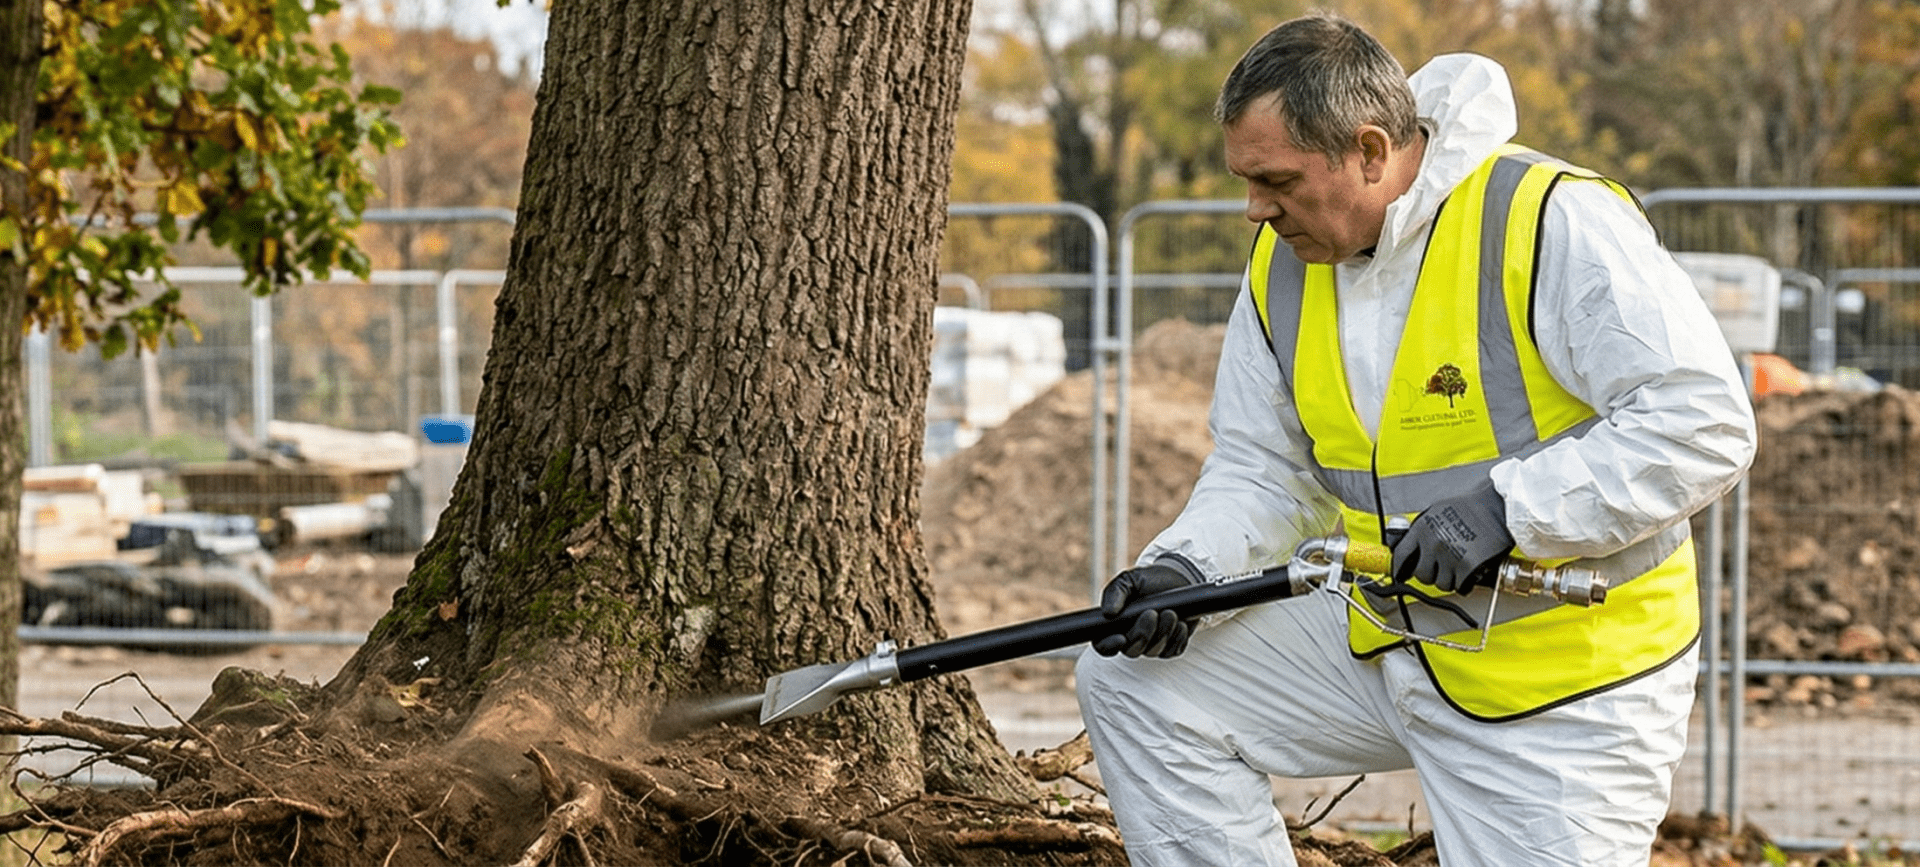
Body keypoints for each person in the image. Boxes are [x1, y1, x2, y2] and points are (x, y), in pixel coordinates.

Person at [1075, 13, 1757, 867]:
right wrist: (1186, 570)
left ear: (1368, 151)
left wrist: (1509, 511)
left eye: (1275, 180)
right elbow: (1264, 467)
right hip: (1392, 638)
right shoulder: (1284, 264)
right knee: (1138, 683)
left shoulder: (1547, 220)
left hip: (1563, 684)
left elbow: (1704, 420)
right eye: (1246, 181)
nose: (1254, 210)